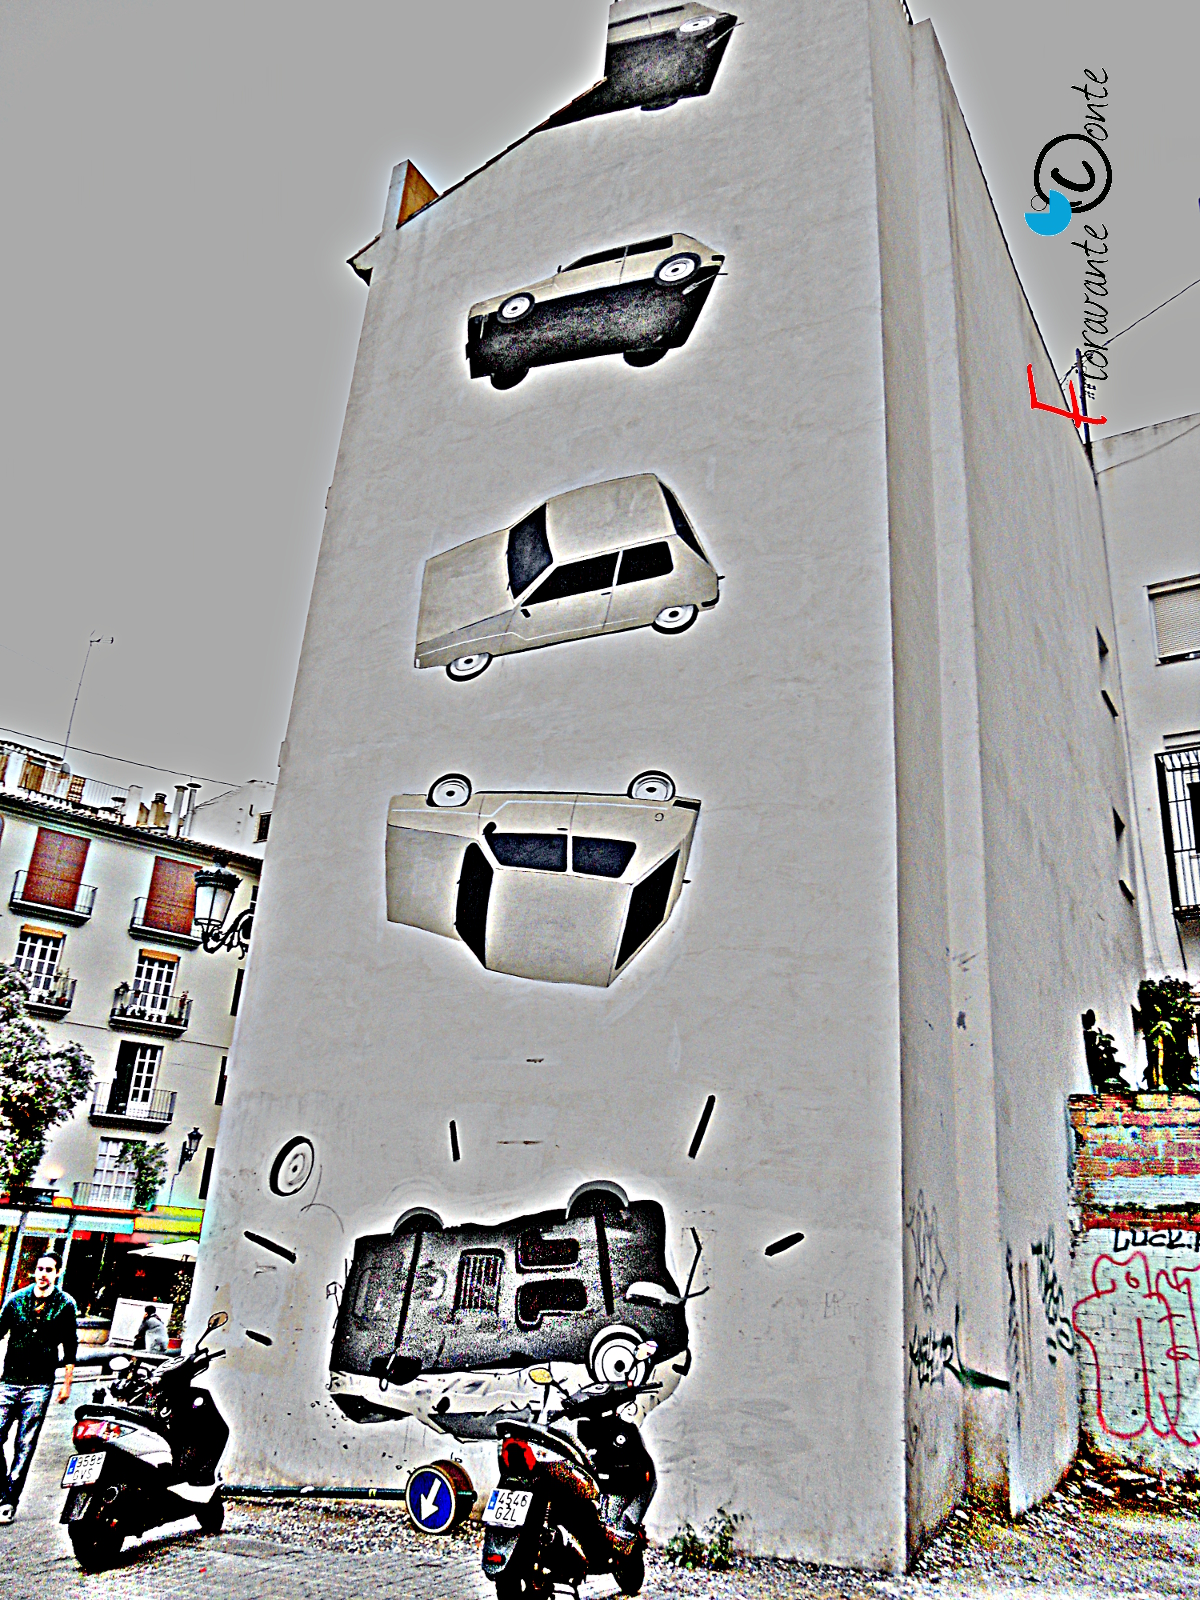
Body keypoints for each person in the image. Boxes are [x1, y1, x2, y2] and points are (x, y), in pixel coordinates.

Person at [0, 1253, 78, 1522]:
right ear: (34, 1271)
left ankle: (8, 1501)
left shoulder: (65, 1304)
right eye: (40, 1269)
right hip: (9, 1381)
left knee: (25, 1443)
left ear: (57, 1273)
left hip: (39, 1384)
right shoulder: (16, 1300)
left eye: (49, 1270)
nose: (43, 1274)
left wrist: (66, 1385)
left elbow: (70, 1346)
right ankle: (3, 1488)